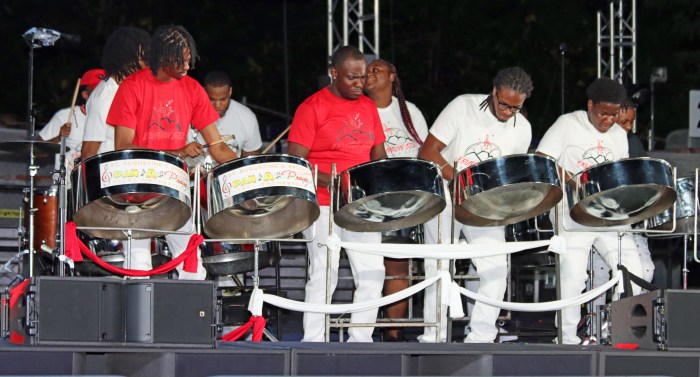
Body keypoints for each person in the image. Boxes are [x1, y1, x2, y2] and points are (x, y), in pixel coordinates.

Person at [108, 25, 237, 280]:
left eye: (189, 61)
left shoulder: (192, 89)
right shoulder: (132, 87)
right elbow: (123, 146)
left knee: (193, 267)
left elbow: (218, 146)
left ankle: (189, 320)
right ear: (164, 56)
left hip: (174, 189)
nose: (188, 67)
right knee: (138, 267)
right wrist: (176, 151)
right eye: (182, 61)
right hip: (138, 188)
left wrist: (248, 170)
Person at [417, 66, 534, 343]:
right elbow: (428, 151)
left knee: (494, 269)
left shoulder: (523, 128)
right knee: (439, 267)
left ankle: (480, 336)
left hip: (484, 204)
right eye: (503, 104)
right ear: (493, 92)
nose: (507, 112)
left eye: (515, 108)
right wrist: (461, 181)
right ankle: (434, 337)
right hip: (445, 195)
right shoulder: (463, 106)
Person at [287, 45, 388, 342]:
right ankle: (313, 342)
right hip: (323, 203)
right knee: (323, 274)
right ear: (334, 74)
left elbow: (378, 153)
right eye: (352, 78)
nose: (360, 84)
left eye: (363, 77)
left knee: (373, 272)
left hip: (362, 204)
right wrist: (333, 181)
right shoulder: (312, 107)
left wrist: (385, 179)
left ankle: (361, 339)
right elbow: (296, 160)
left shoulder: (368, 107)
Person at [536, 77, 644, 345]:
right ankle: (567, 338)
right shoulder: (567, 124)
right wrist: (573, 179)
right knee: (573, 275)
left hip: (608, 213)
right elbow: (542, 159)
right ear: (589, 105)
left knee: (633, 270)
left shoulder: (619, 134)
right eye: (602, 113)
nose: (608, 120)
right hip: (573, 213)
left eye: (613, 114)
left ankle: (621, 333)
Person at [363, 58, 428, 342]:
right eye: (366, 71)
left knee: (397, 267)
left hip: (405, 200)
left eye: (376, 69)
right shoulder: (358, 111)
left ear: (392, 75)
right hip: (370, 197)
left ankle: (393, 333)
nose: (369, 74)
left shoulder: (410, 112)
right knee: (368, 269)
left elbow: (426, 155)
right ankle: (363, 330)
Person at [81, 27, 151, 160]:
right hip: (113, 175)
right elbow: (88, 152)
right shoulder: (104, 96)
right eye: (144, 58)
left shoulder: (129, 89)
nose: (148, 64)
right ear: (127, 58)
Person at [39, 68, 105, 182]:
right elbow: (37, 152)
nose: (102, 94)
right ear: (85, 95)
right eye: (97, 90)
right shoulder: (64, 116)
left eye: (104, 89)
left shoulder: (115, 118)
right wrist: (59, 137)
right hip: (67, 186)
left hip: (99, 186)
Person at [186, 70, 262, 167]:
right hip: (193, 179)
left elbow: (252, 158)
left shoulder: (247, 117)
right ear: (204, 91)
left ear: (230, 91)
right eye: (212, 99)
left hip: (230, 179)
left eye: (223, 99)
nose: (218, 105)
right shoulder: (188, 113)